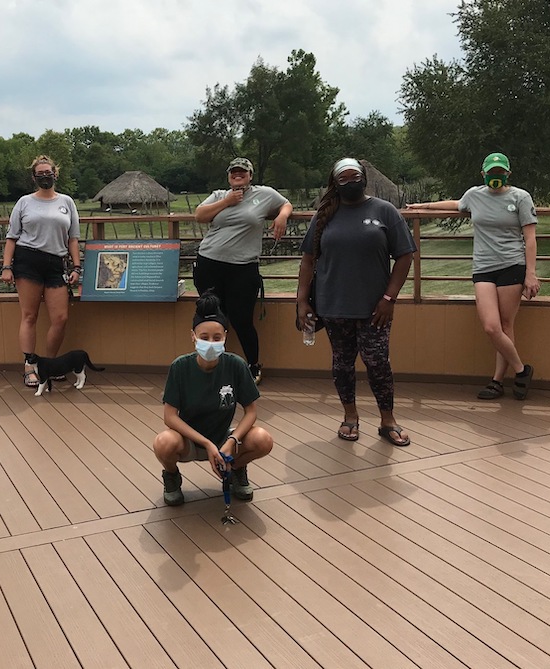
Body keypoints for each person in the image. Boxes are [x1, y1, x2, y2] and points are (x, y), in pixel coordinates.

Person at [296, 158, 417, 447]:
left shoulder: (384, 211)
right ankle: (350, 417)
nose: (351, 183)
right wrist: (302, 301)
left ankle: (387, 420)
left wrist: (390, 298)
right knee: (342, 364)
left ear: (364, 178)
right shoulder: (324, 215)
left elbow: (405, 255)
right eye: (344, 179)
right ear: (335, 183)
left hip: (375, 308)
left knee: (378, 363)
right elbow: (308, 259)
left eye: (355, 177)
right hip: (333, 305)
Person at [408, 152, 539, 400]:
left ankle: (497, 381)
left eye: (500, 173)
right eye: (492, 173)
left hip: (512, 265)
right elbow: (455, 204)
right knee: (491, 326)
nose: (496, 177)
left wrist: (530, 274)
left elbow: (530, 238)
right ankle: (522, 370)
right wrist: (422, 206)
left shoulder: (520, 197)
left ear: (508, 174)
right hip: (484, 267)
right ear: (483, 174)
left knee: (506, 324)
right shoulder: (475, 195)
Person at [153, 290, 274, 506]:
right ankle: (171, 477)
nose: (211, 343)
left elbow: (251, 411)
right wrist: (206, 443)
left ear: (226, 336)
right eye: (204, 337)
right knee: (164, 443)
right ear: (193, 336)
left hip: (224, 438)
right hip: (189, 440)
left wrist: (231, 441)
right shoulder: (180, 367)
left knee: (263, 439)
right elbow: (170, 417)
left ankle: (236, 468)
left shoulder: (236, 365)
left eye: (217, 338)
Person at [193, 157, 293, 385]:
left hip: (243, 268)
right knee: (211, 315)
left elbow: (286, 204)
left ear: (250, 175)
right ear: (228, 176)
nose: (238, 176)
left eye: (242, 172)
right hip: (210, 262)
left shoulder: (264, 194)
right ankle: (208, 364)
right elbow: (199, 216)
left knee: (241, 319)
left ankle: (252, 365)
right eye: (233, 173)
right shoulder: (219, 195)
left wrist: (282, 216)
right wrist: (227, 201)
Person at [1, 155, 82, 387]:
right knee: (30, 315)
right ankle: (30, 366)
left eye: (49, 173)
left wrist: (76, 266)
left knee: (60, 318)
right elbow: (12, 237)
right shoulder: (24, 202)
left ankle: (51, 364)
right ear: (34, 177)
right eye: (40, 173)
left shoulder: (67, 202)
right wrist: (7, 266)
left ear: (56, 174)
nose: (45, 176)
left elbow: (73, 239)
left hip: (56, 262)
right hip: (28, 260)